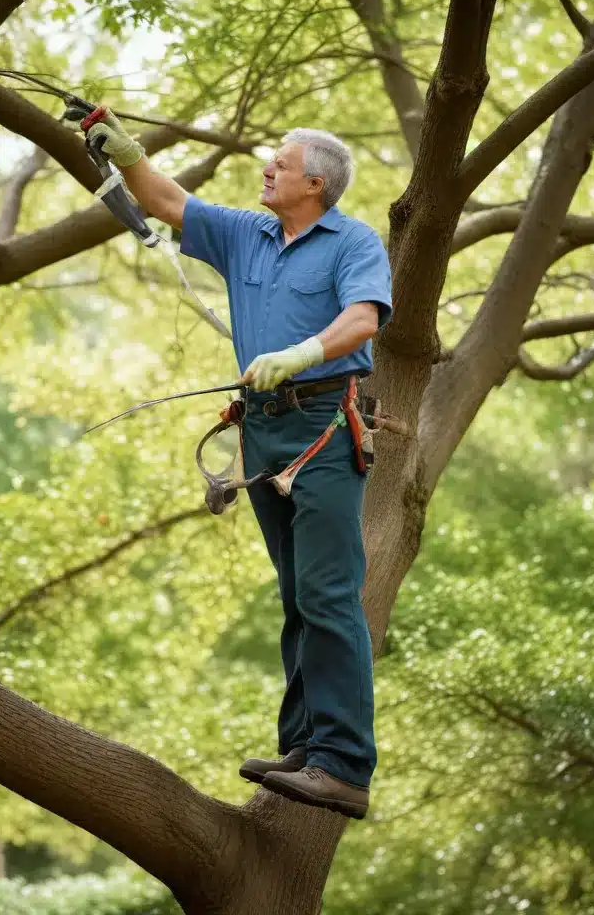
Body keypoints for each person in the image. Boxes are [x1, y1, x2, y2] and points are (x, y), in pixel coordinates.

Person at [84, 109, 392, 819]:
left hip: (321, 427)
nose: (266, 169)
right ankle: (306, 746)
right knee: (295, 593)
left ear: (315, 182)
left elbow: (364, 320)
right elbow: (164, 201)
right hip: (263, 432)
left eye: (279, 164)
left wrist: (303, 352)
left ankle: (344, 765)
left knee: (327, 592)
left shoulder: (352, 241)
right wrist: (125, 150)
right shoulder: (246, 233)